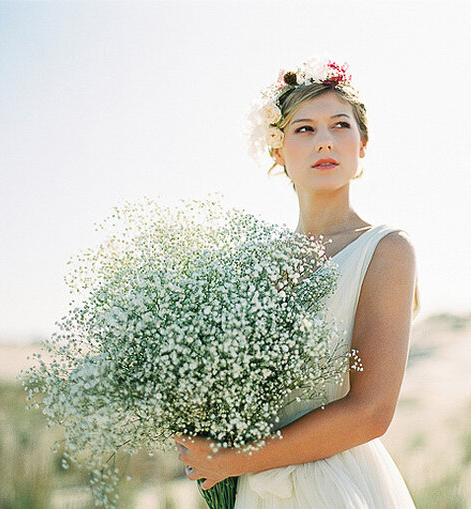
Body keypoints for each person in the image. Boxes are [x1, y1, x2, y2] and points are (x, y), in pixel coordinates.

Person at [174, 56, 420, 508]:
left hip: (333, 486)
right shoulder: (251, 267)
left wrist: (233, 460)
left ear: (362, 144)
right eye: (304, 129)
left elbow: (370, 413)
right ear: (277, 150)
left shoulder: (385, 250)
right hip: (255, 490)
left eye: (340, 126)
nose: (324, 141)